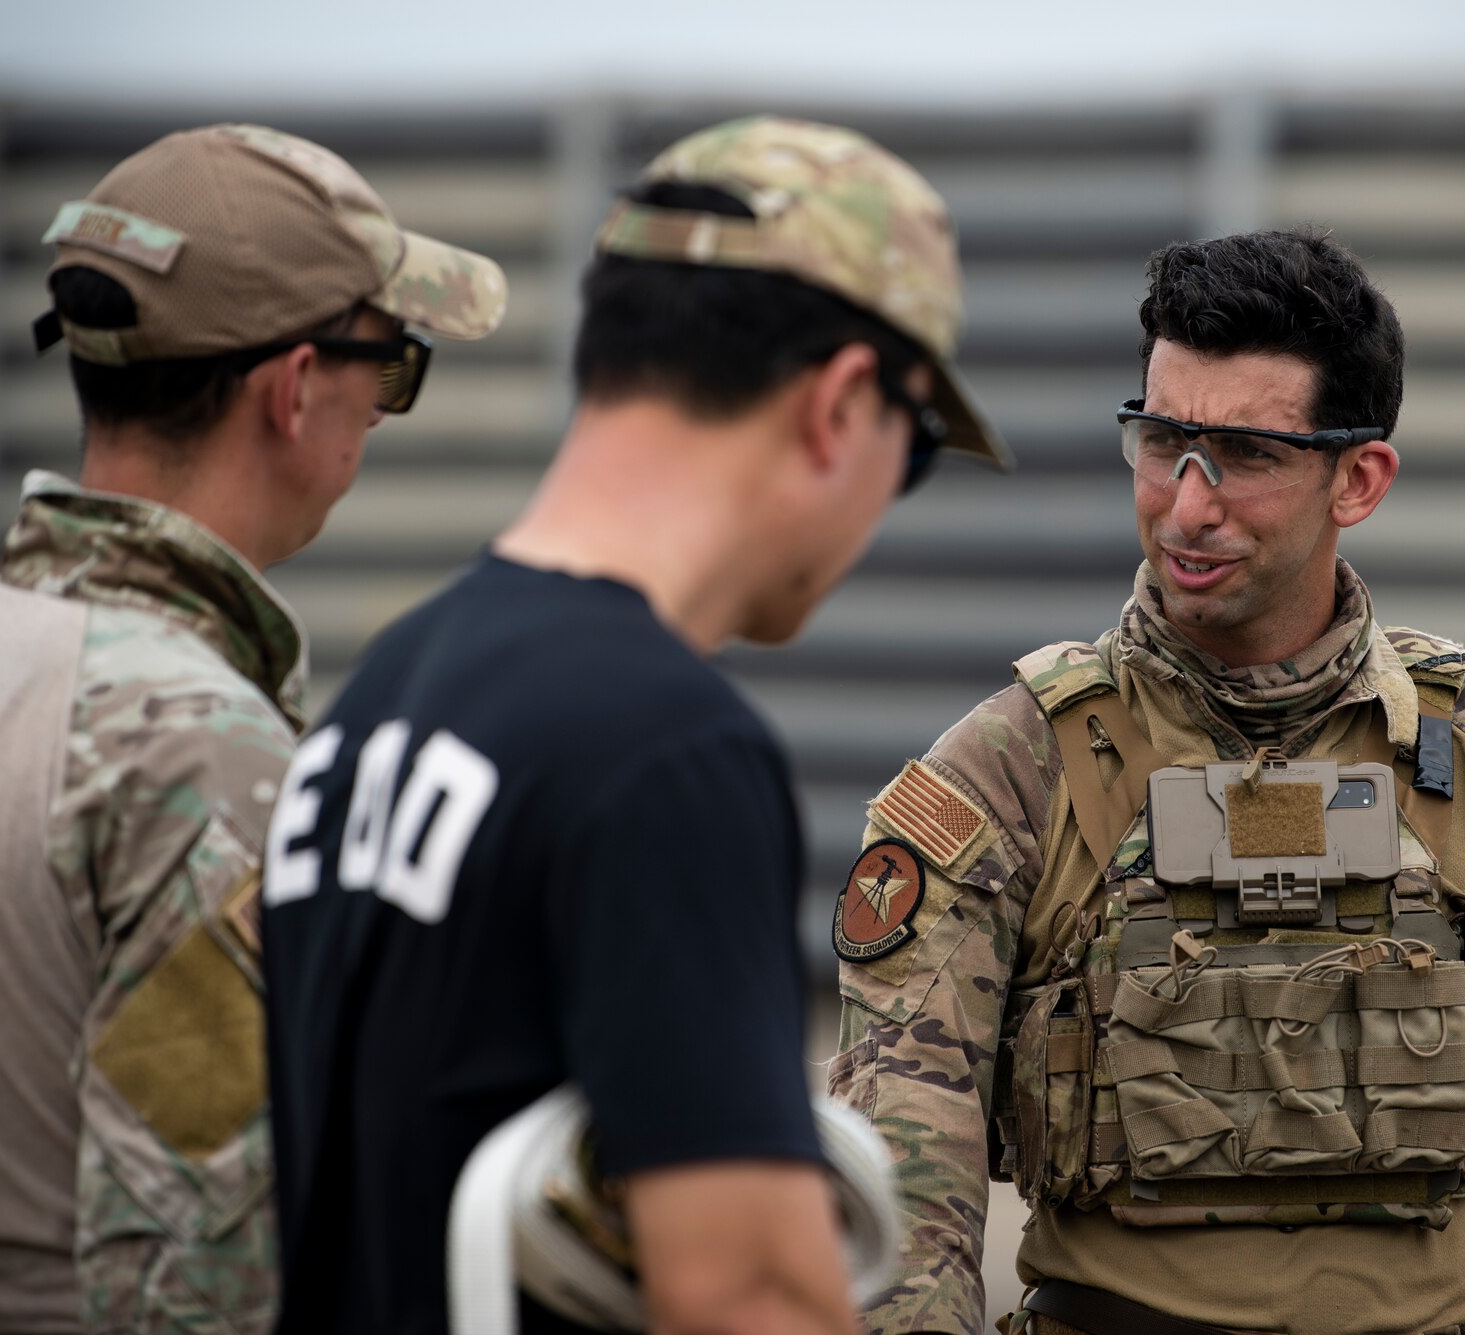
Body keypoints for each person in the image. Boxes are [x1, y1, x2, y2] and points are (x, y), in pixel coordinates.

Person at [830, 229, 1465, 1335]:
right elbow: (902, 1182)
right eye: (1161, 441)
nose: (1186, 504)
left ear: (1357, 478)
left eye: (1241, 454)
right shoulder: (1010, 772)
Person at [258, 114, 1012, 1335]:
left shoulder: (390, 689)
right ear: (841, 402)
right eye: (914, 451)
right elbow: (748, 1300)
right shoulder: (664, 750)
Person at [0, 123, 505, 1335]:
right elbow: (196, 1274)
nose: (381, 412)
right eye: (387, 367)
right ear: (292, 388)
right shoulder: (192, 748)